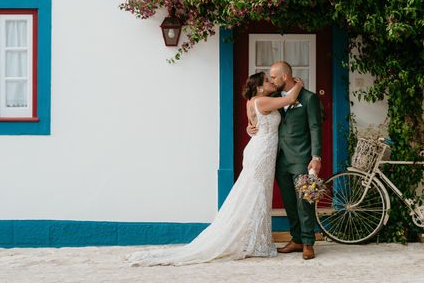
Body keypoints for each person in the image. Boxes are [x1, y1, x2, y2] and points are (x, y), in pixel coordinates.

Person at [127, 72, 303, 266]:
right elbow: (291, 98)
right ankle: (255, 242)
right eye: (268, 81)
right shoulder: (261, 101)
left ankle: (257, 241)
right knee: (256, 194)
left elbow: (252, 125)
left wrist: (248, 129)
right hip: (261, 153)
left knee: (258, 194)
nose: (272, 82)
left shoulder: (253, 101)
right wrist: (299, 84)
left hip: (261, 150)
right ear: (260, 87)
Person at [248, 61, 322, 260]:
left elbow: (315, 128)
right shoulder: (272, 98)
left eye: (274, 77)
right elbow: (258, 118)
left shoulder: (309, 98)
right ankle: (296, 239)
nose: (271, 81)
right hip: (279, 159)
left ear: (284, 77)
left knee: (303, 202)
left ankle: (308, 242)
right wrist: (250, 128)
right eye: (269, 78)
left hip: (301, 158)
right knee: (289, 202)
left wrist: (316, 157)